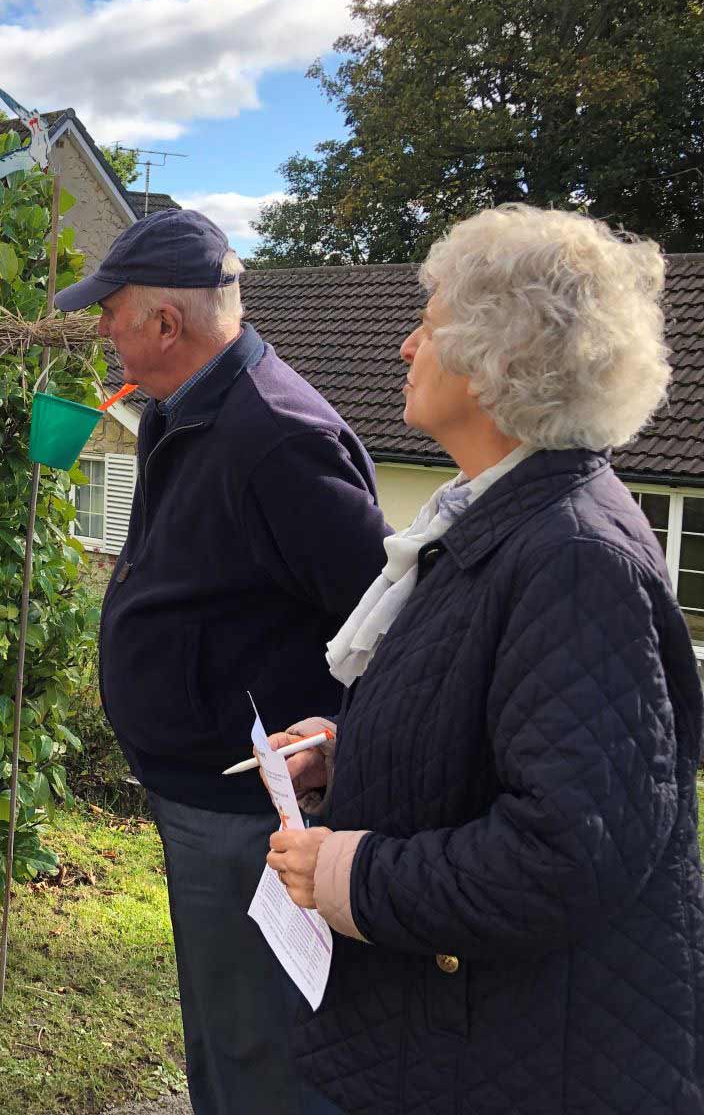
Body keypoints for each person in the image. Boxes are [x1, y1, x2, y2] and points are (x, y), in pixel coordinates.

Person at [267, 204, 704, 1114]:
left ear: (495, 359)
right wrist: (354, 754)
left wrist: (353, 875)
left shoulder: (575, 560)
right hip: (464, 1037)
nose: (404, 347)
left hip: (519, 1060)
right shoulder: (503, 523)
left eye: (427, 324)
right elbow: (495, 734)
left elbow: (566, 856)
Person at [53, 209, 391, 1115]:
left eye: (110, 310)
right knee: (220, 1022)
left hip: (249, 815)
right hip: (199, 797)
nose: (99, 327)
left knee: (259, 1044)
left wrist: (336, 742)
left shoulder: (278, 439)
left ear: (166, 324)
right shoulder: (188, 407)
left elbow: (395, 624)